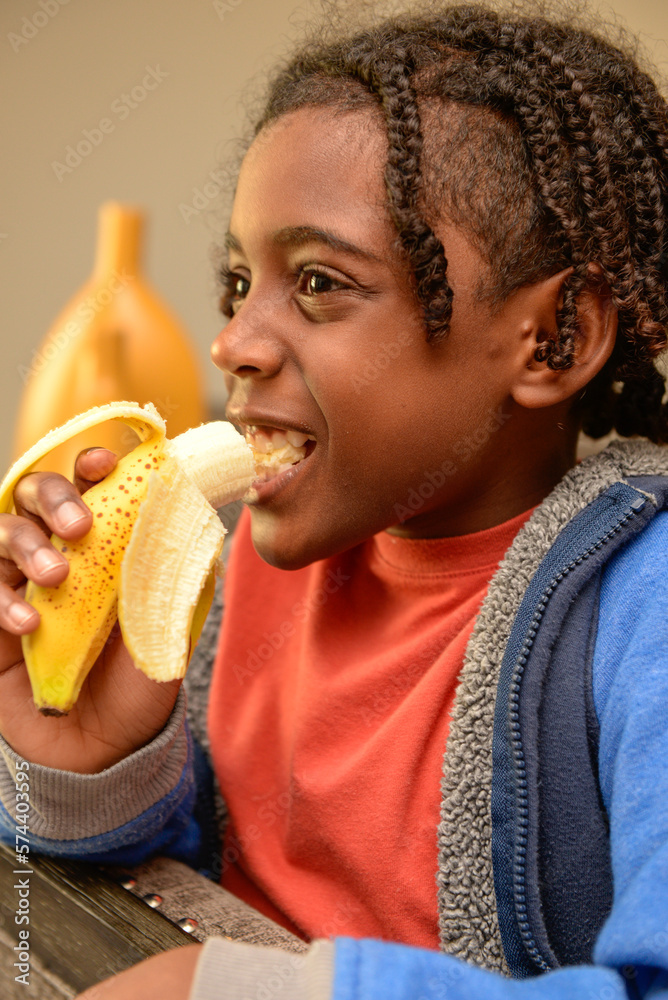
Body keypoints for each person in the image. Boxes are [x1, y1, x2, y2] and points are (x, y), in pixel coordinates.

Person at [2, 1, 668, 997]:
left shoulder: (642, 611)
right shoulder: (254, 565)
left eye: (317, 280)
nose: (233, 341)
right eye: (238, 281)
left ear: (553, 338)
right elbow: (201, 869)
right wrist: (103, 757)